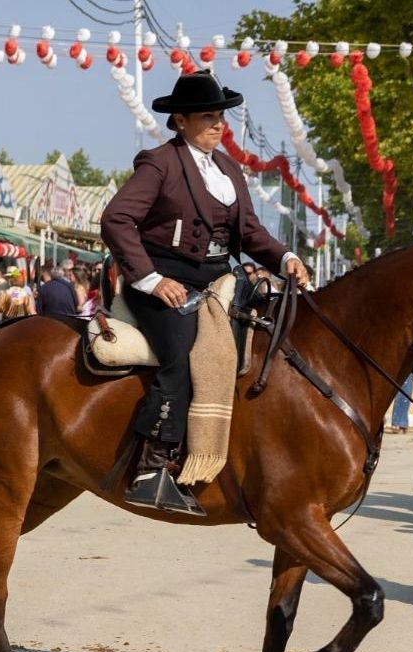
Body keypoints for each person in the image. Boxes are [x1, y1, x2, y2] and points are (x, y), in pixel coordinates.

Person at [100, 68, 308, 514]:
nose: (219, 125)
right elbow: (116, 219)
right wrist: (152, 280)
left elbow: (250, 232)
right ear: (180, 121)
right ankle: (150, 468)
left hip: (216, 280)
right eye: (209, 117)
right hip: (160, 282)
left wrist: (285, 257)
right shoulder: (159, 163)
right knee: (181, 351)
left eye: (222, 117)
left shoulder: (229, 168)